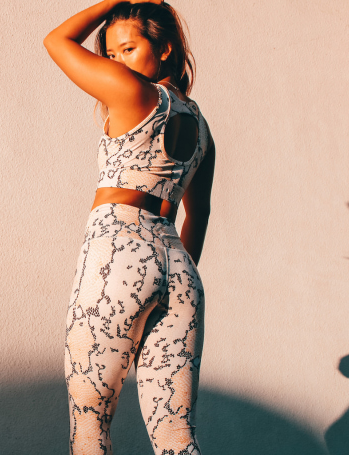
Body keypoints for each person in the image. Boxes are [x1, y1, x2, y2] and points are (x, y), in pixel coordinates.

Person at [44, 1, 215, 453]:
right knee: (176, 437)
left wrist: (112, 2)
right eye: (111, 53)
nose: (117, 62)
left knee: (90, 428)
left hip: (120, 251)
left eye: (128, 48)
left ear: (164, 49)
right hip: (179, 268)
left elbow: (56, 41)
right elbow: (198, 214)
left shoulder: (130, 90)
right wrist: (168, 280)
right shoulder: (201, 125)